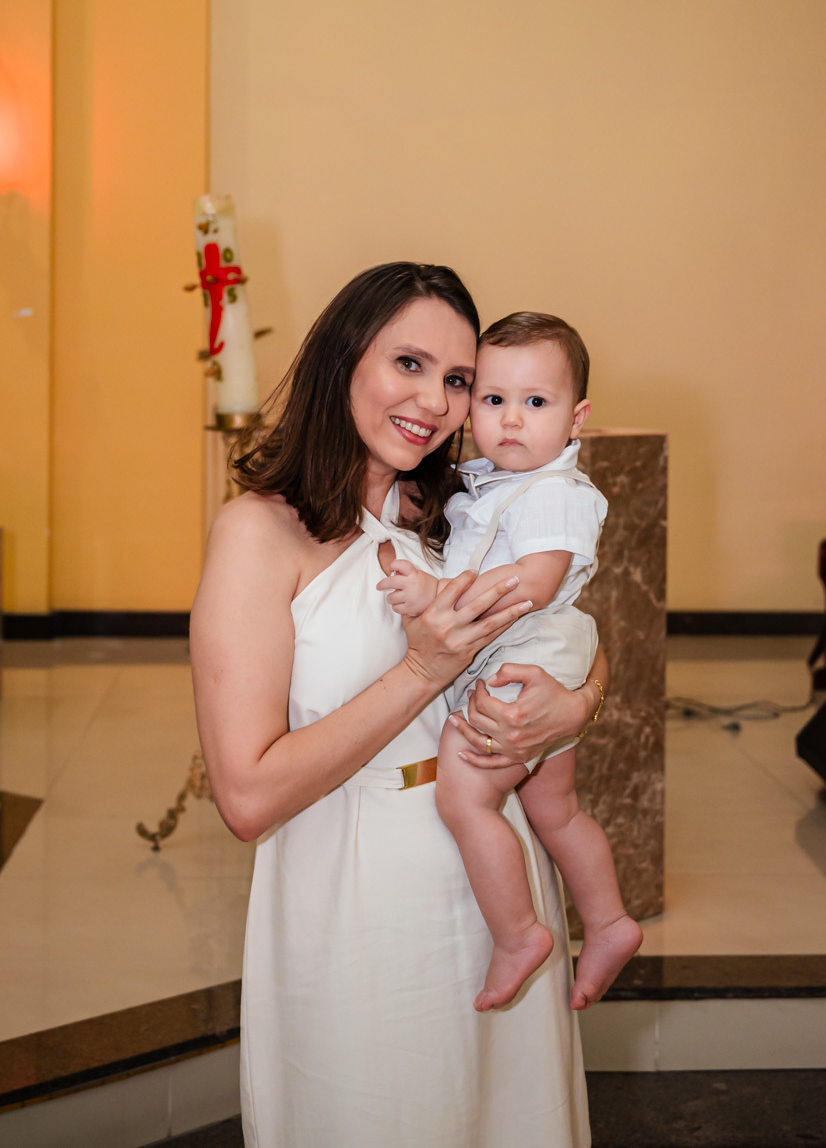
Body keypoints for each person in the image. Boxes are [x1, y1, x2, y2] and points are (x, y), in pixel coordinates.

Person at [191, 262, 609, 1148]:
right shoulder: (259, 536)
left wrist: (580, 706)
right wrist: (423, 669)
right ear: (344, 361)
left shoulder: (457, 511)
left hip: (496, 873)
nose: (436, 402)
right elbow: (247, 797)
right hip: (355, 885)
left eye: (459, 380)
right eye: (409, 364)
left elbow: (571, 620)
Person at [378, 312, 642, 1014]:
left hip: (527, 651)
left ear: (577, 417)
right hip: (534, 648)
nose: (512, 422)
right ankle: (610, 922)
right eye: (494, 401)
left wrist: (436, 594)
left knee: (463, 795)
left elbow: (537, 583)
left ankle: (519, 932)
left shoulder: (553, 491)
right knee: (555, 808)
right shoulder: (493, 481)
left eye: (536, 402)